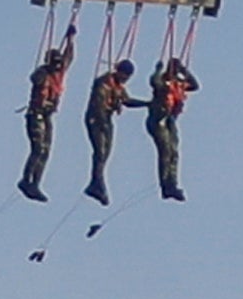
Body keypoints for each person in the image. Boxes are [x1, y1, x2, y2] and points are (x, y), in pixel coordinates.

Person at [17, 40, 70, 200]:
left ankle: (36, 183)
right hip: (36, 114)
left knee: (46, 150)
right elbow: (35, 78)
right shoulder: (42, 73)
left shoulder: (59, 74)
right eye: (55, 65)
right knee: (38, 148)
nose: (57, 68)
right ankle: (26, 180)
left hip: (47, 116)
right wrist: (45, 68)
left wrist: (71, 39)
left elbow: (69, 57)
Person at [82, 55, 134, 204]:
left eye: (128, 77)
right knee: (100, 151)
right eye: (124, 75)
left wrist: (148, 104)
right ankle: (97, 184)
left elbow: (127, 101)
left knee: (105, 153)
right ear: (118, 71)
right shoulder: (103, 83)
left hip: (107, 120)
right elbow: (98, 105)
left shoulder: (118, 86)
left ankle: (96, 183)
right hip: (96, 119)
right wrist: (104, 122)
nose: (125, 79)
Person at [147, 55, 200, 201]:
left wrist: (184, 70)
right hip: (158, 120)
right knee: (165, 151)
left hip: (170, 120)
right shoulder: (163, 82)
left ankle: (172, 183)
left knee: (174, 152)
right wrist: (158, 70)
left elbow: (195, 85)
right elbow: (154, 82)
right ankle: (166, 185)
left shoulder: (178, 83)